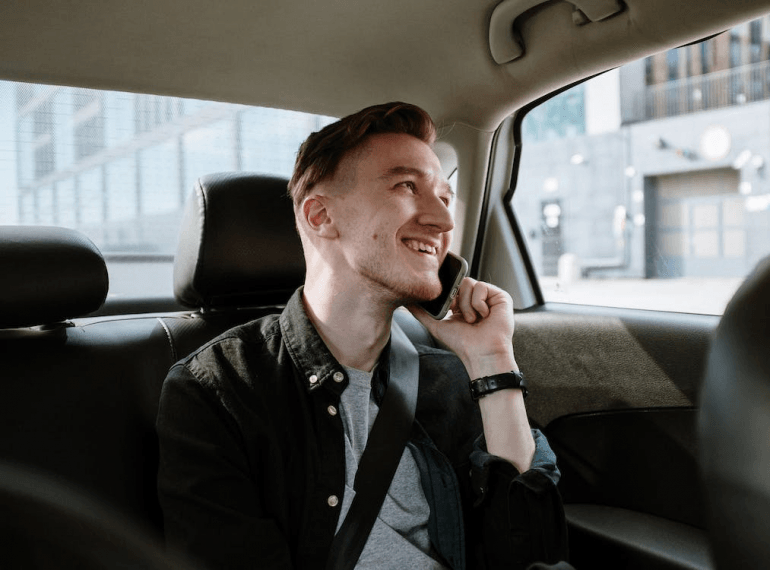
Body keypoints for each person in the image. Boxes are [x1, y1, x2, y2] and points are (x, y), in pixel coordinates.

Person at [157, 102, 568, 569]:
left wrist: (493, 360)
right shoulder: (220, 390)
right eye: (406, 186)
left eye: (444, 196)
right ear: (320, 216)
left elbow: (533, 555)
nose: (444, 220)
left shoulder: (450, 380)